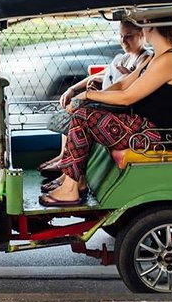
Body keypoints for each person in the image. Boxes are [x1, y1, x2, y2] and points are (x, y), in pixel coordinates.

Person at [39, 19, 172, 207]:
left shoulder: (169, 60)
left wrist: (88, 94)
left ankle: (70, 189)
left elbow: (127, 97)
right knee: (85, 112)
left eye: (143, 23)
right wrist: (87, 98)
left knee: (83, 117)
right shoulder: (156, 58)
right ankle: (77, 182)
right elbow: (122, 84)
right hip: (140, 126)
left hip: (153, 134)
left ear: (151, 27)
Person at [38, 19, 150, 186]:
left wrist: (93, 94)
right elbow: (102, 76)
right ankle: (65, 156)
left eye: (129, 36)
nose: (123, 41)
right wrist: (73, 90)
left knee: (78, 112)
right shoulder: (124, 58)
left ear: (142, 35)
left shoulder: (145, 60)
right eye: (121, 36)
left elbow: (128, 89)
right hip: (110, 101)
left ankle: (70, 168)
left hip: (124, 110)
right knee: (71, 107)